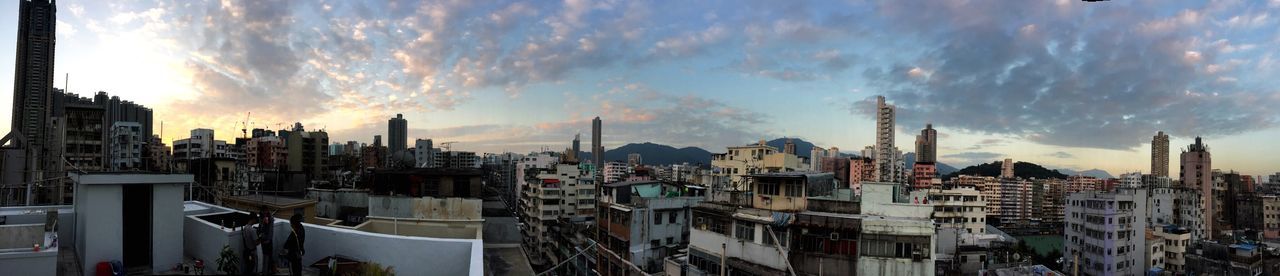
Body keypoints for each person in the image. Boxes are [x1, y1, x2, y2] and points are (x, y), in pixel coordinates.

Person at [258, 206, 275, 275]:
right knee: (265, 256)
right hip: (263, 239)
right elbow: (260, 228)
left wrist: (268, 239)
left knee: (268, 256)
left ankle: (267, 271)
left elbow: (270, 230)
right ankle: (266, 271)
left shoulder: (270, 218)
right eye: (263, 212)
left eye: (265, 211)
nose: (264, 213)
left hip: (268, 240)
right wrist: (262, 222)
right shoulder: (261, 217)